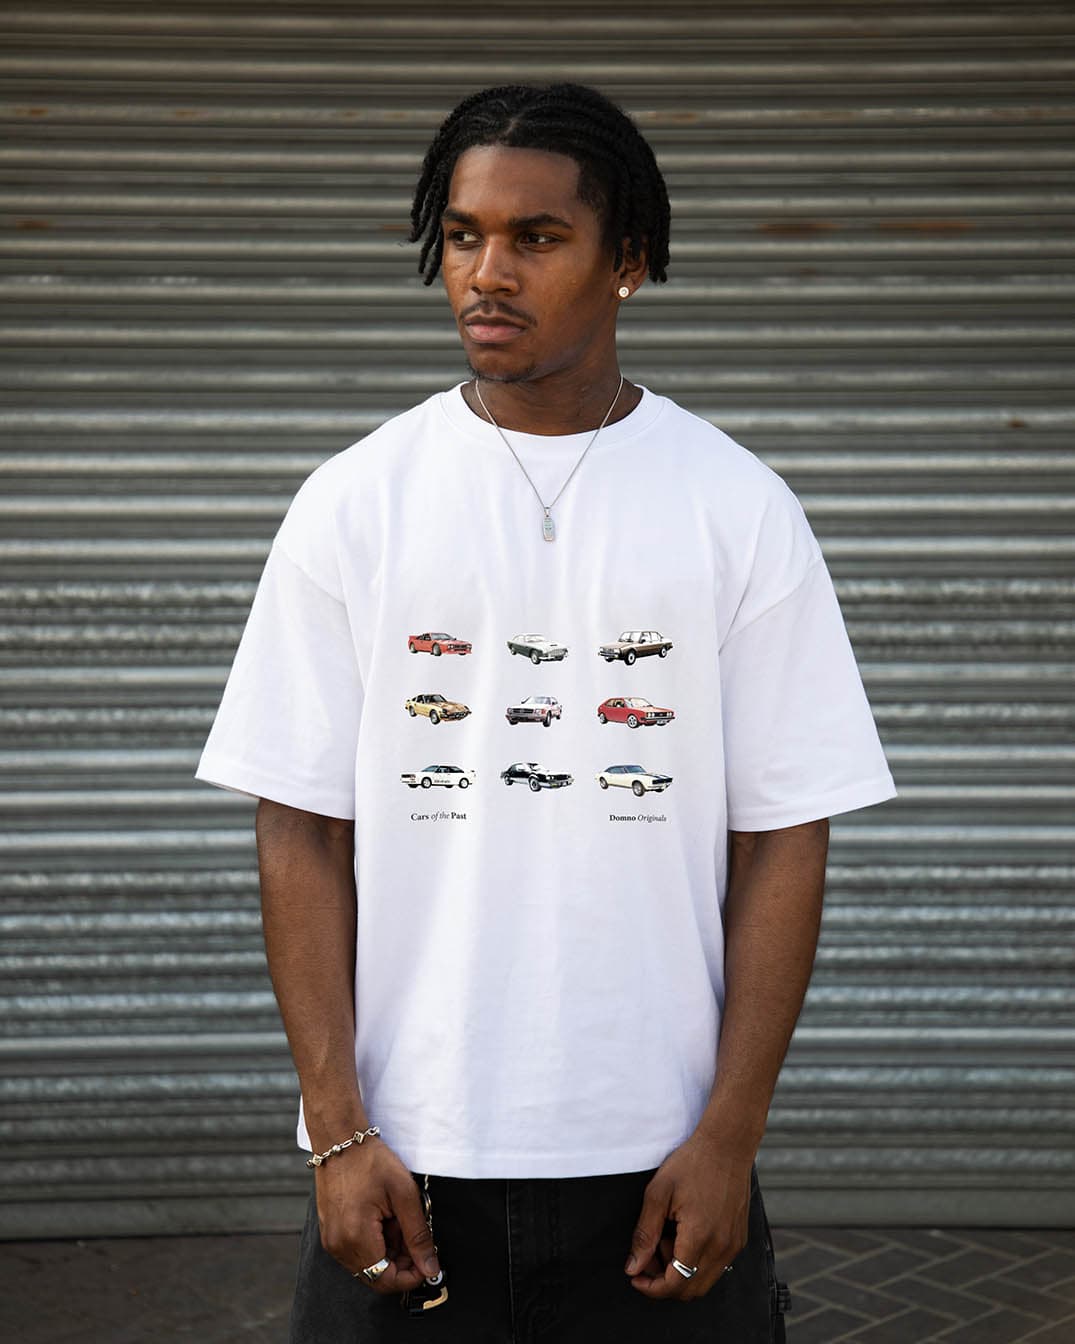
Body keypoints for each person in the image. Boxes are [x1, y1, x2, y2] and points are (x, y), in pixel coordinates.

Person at [196, 82, 896, 1343]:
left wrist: (728, 1137)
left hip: (657, 1165)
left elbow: (785, 839)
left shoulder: (736, 507)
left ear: (628, 260)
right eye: (463, 235)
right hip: (405, 1160)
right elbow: (297, 826)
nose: (487, 273)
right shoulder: (355, 503)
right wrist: (337, 1134)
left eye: (536, 237)